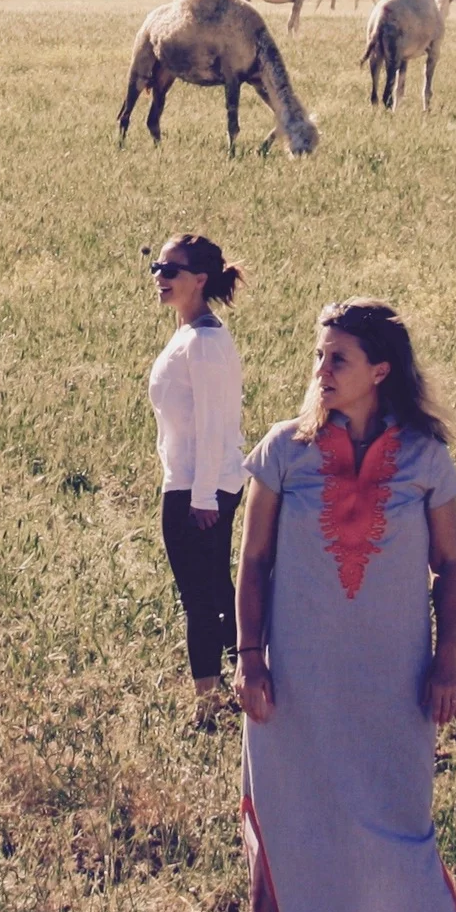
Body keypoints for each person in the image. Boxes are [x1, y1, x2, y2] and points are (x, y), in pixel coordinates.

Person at [233, 300, 456, 912]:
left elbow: (451, 567)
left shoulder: (426, 460)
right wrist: (250, 659)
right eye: (319, 356)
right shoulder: (283, 451)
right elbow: (252, 561)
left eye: (338, 358)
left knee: (402, 825)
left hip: (392, 689)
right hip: (294, 688)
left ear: (380, 370)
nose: (322, 370)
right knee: (281, 828)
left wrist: (447, 660)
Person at [145, 235, 248, 726]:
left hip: (196, 487)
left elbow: (213, 425)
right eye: (157, 268)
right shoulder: (195, 334)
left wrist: (203, 497)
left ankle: (208, 705)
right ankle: (244, 677)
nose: (160, 277)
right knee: (215, 589)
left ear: (200, 280)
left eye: (172, 271)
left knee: (199, 597)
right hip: (199, 481)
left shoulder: (203, 343)